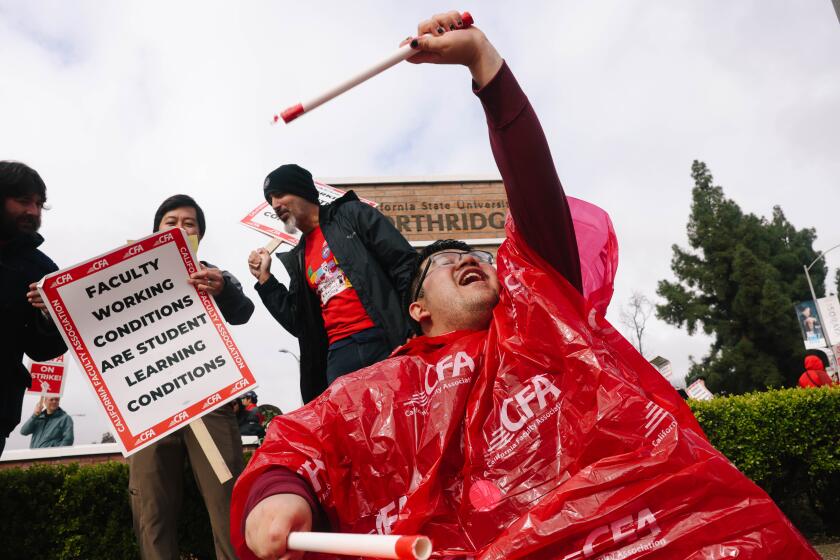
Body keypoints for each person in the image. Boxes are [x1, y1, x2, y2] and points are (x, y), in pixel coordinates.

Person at [231, 13, 818, 560]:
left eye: (476, 254)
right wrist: (275, 492)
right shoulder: (386, 392)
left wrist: (484, 63)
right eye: (447, 261)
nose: (469, 259)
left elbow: (532, 188)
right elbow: (305, 441)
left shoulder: (540, 310)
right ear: (420, 308)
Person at [128, 194, 255, 560]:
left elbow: (242, 311)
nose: (181, 228)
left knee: (227, 496)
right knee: (151, 505)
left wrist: (224, 289)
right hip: (149, 405)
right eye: (171, 222)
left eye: (190, 223)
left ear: (200, 235)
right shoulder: (125, 274)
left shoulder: (214, 273)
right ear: (155, 230)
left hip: (207, 398)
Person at [248, 164, 418, 403]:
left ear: (302, 191)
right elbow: (299, 323)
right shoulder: (299, 256)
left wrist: (413, 327)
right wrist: (265, 280)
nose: (275, 204)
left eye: (280, 194)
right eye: (270, 200)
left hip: (385, 338)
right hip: (339, 355)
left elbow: (404, 265)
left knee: (405, 417)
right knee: (356, 434)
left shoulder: (352, 215)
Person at [0, 161, 67, 458]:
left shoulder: (43, 272)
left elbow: (41, 350)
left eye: (39, 204)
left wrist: (51, 316)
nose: (33, 211)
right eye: (23, 201)